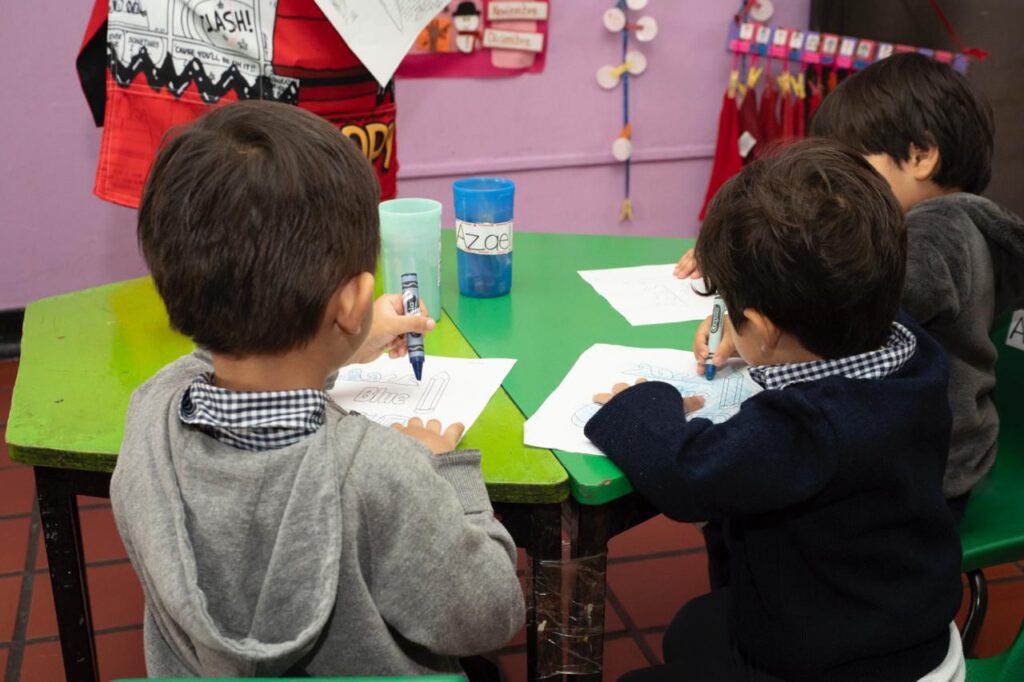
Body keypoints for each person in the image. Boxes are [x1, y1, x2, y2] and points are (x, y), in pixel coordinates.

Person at [111, 100, 524, 677]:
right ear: (354, 301)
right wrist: (442, 470)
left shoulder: (150, 413)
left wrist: (345, 340)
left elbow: (236, 359)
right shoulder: (380, 472)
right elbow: (491, 614)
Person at [588, 140, 962, 681]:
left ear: (765, 328)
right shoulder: (911, 349)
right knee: (695, 628)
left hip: (843, 665)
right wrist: (761, 342)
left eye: (730, 312)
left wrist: (642, 403)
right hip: (901, 624)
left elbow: (688, 475)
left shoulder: (811, 428)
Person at [681, 53, 1024, 520]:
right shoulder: (959, 224)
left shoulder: (937, 232)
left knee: (756, 488)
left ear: (921, 157)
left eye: (854, 165)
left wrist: (753, 308)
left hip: (928, 473)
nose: (839, 188)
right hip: (934, 446)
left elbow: (843, 304)